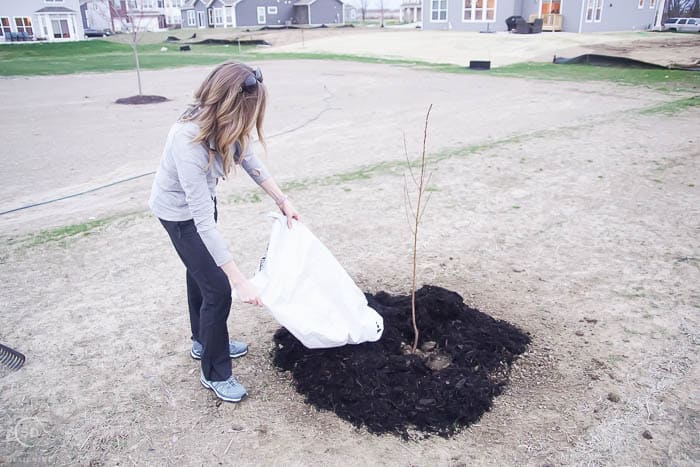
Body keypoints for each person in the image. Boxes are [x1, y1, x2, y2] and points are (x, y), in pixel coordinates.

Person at [149, 61, 299, 403]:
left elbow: (249, 159)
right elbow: (201, 221)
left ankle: (205, 340)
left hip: (201, 204)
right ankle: (215, 372)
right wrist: (239, 280)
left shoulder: (226, 123)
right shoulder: (187, 139)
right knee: (216, 288)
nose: (250, 120)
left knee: (201, 275)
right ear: (230, 102)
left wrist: (282, 200)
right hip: (178, 214)